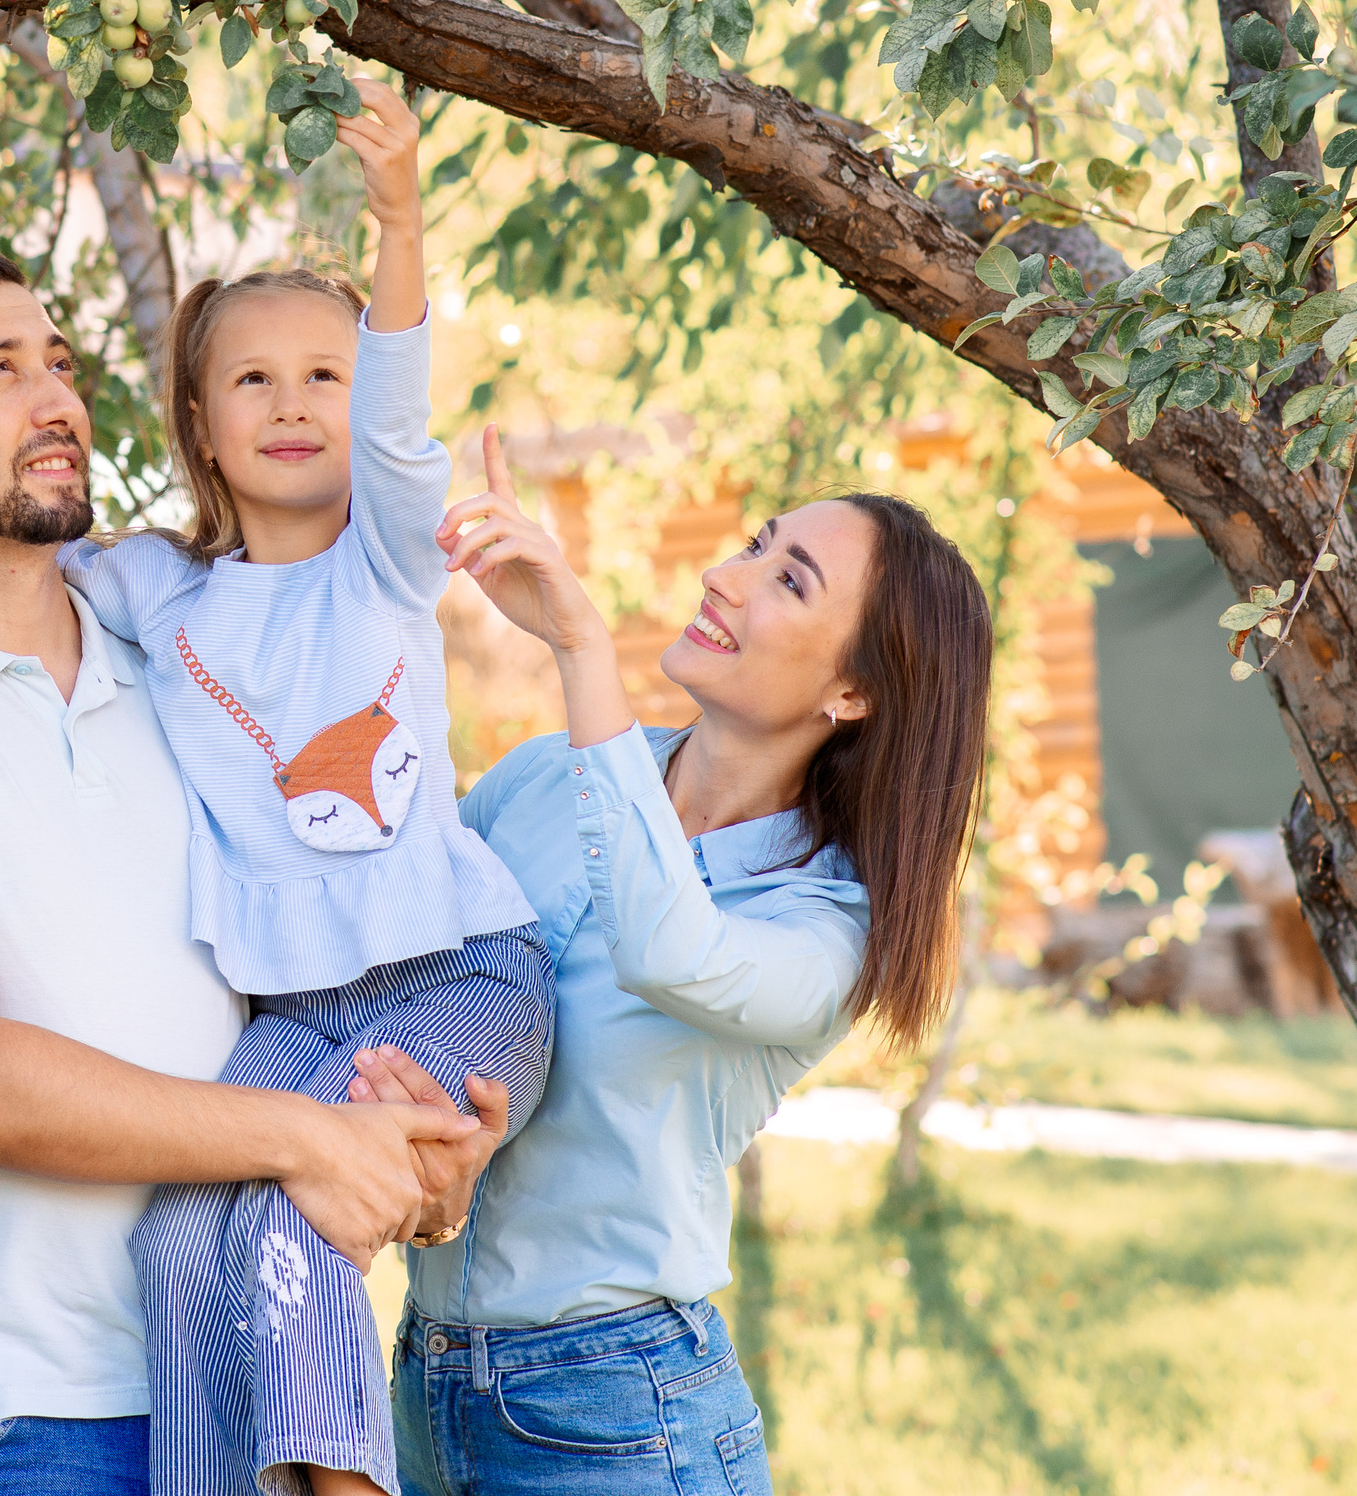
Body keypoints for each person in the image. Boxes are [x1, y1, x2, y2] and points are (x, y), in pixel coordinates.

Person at [0, 83, 550, 1496]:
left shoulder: (388, 566)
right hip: (295, 1014)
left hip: (455, 975)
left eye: (325, 377)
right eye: (252, 380)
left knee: (289, 1232)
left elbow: (408, 428)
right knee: (175, 1239)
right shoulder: (151, 593)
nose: (293, 403)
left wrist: (399, 216)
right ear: (197, 422)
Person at [352, 429, 992, 1495]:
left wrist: (579, 650)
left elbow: (663, 947)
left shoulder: (829, 927)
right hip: (425, 1371)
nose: (724, 576)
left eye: (787, 577)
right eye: (754, 544)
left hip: (616, 1410)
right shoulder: (545, 778)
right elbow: (404, 975)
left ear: (856, 693)